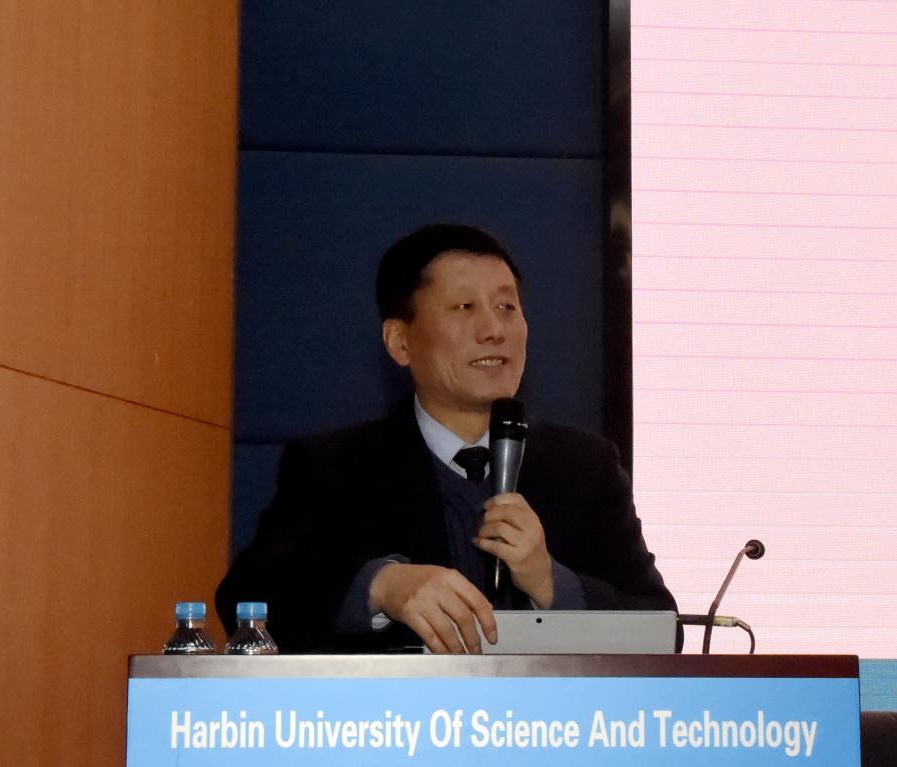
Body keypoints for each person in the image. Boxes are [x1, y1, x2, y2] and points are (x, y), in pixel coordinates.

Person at [215, 224, 677, 653]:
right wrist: (382, 587)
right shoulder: (337, 466)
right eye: (463, 307)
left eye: (507, 307)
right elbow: (247, 599)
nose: (493, 330)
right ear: (400, 342)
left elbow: (662, 629)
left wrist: (551, 583)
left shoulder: (584, 466)